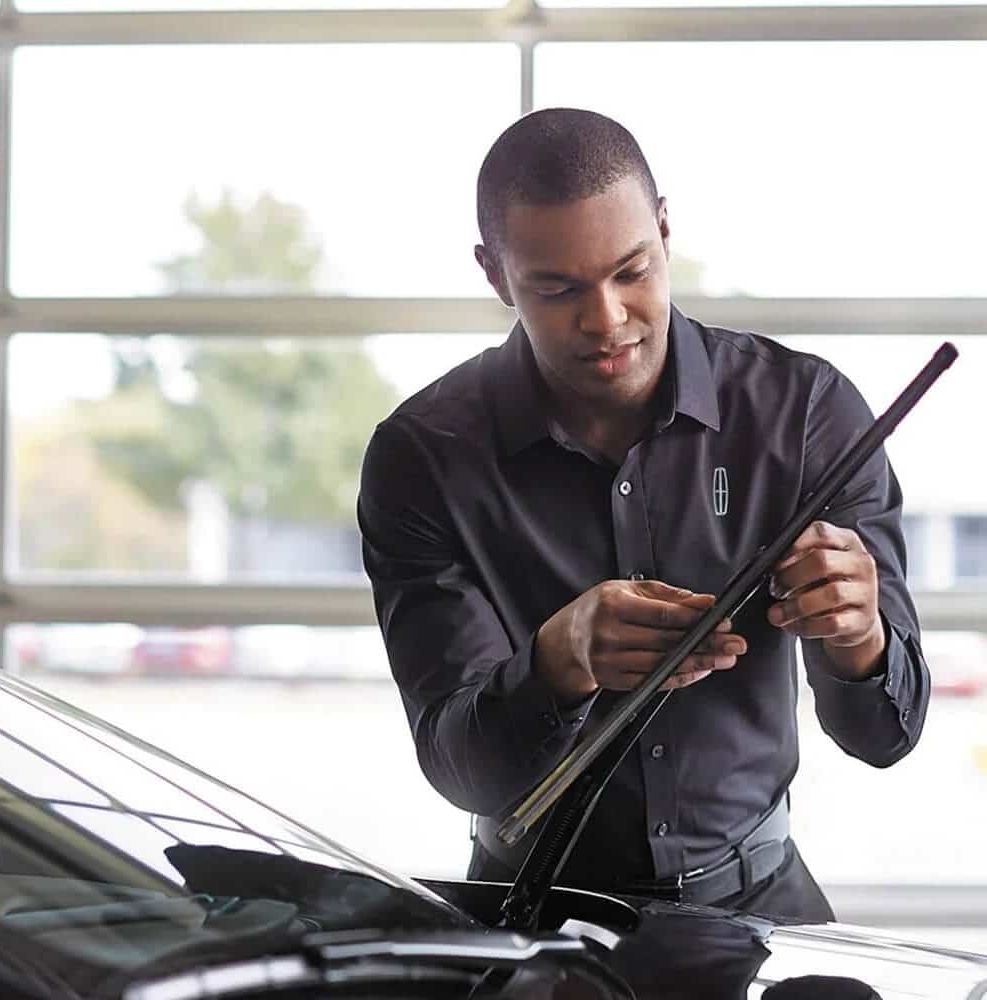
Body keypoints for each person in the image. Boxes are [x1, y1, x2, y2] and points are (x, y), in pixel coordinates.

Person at [357, 108, 929, 923]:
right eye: (556, 289)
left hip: (763, 909)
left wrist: (860, 638)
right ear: (494, 274)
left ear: (664, 228)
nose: (606, 319)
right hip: (528, 913)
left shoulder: (806, 413)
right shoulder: (423, 457)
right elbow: (462, 771)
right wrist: (559, 661)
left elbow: (886, 737)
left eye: (632, 270)